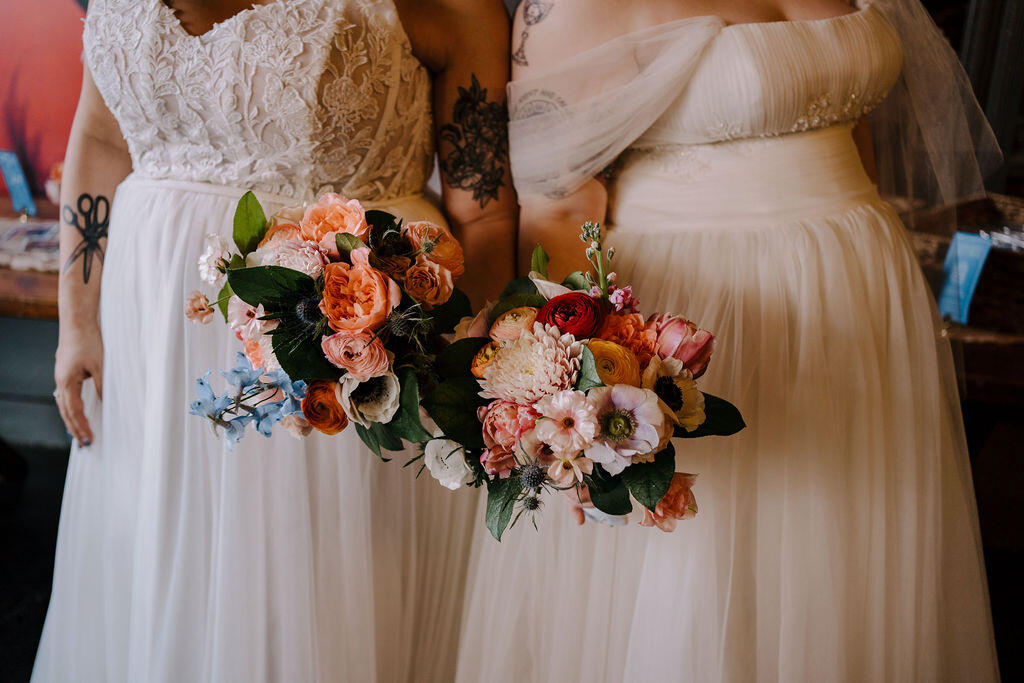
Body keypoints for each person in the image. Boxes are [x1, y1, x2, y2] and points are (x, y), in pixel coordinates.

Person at [455, 0, 1001, 681]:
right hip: (709, 312)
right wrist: (590, 376)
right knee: (718, 571)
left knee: (844, 551)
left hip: (862, 292)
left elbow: (850, 121)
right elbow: (559, 207)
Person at [39, 0, 515, 681]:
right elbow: (103, 140)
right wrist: (78, 317)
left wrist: (464, 356)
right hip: (150, 335)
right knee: (161, 562)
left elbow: (487, 213)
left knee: (305, 596)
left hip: (339, 353)